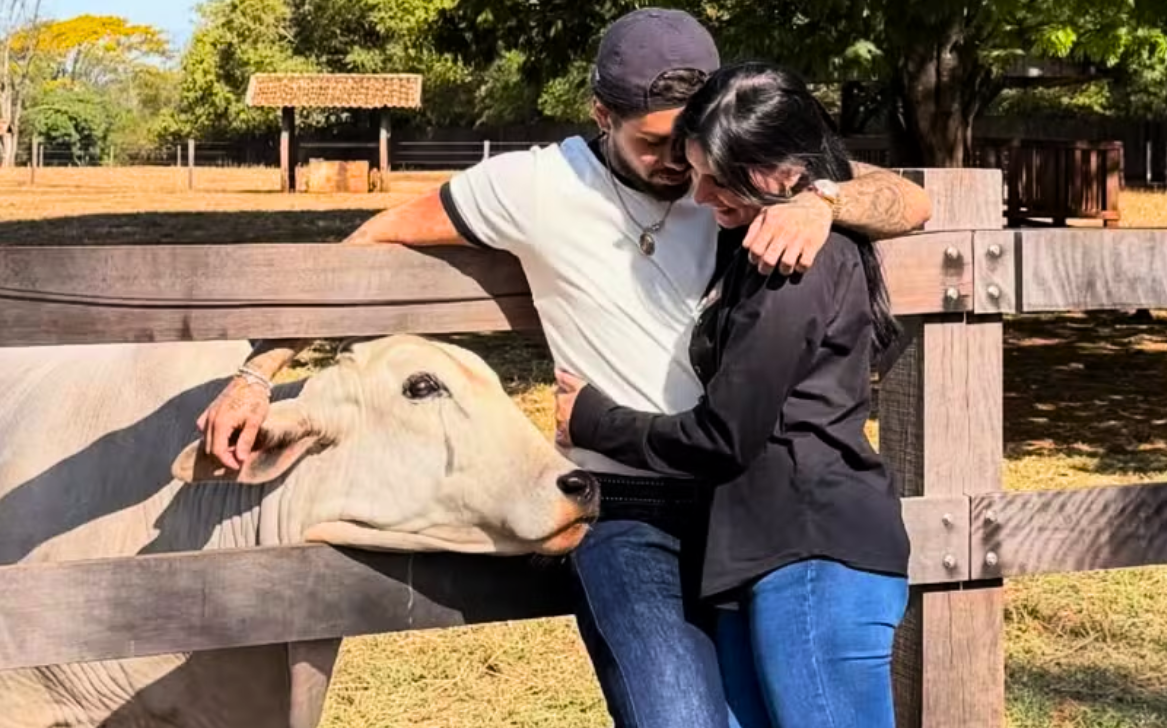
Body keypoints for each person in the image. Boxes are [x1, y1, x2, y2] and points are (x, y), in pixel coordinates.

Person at [195, 9, 931, 728]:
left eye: (693, 144)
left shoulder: (733, 164)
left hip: (745, 502)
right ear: (601, 114)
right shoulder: (532, 186)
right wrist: (259, 372)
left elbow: (911, 200)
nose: (682, 167)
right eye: (656, 143)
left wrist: (824, 202)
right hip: (625, 504)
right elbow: (365, 249)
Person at [553, 60, 911, 728]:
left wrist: (595, 420)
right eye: (695, 172)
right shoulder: (762, 244)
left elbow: (725, 434)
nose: (699, 195)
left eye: (718, 178)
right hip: (773, 557)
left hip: (811, 554)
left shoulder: (795, 266)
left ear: (782, 169)